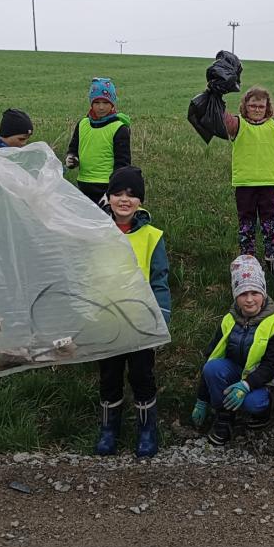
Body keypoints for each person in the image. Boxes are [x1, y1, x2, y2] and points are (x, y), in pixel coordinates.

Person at [94, 165, 171, 458]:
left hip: (141, 323)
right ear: (109, 197)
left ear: (140, 200)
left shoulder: (152, 236)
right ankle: (109, 429)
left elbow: (159, 280)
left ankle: (147, 430)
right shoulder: (96, 232)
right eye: (118, 193)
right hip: (107, 321)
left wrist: (161, 317)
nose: (124, 200)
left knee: (142, 375)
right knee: (109, 376)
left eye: (131, 195)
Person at [192, 255, 274, 445]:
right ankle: (224, 417)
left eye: (255, 292)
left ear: (263, 293)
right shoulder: (229, 319)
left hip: (259, 380)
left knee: (254, 403)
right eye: (243, 294)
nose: (249, 300)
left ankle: (264, 411)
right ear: (235, 295)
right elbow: (212, 356)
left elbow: (271, 365)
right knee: (212, 368)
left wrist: (246, 385)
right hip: (233, 371)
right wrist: (202, 399)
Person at [222, 85, 274, 280]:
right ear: (245, 106)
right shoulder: (238, 124)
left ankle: (273, 261)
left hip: (268, 183)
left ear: (267, 107)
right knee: (246, 224)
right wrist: (217, 98)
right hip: (244, 184)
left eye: (261, 106)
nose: (257, 109)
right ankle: (248, 263)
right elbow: (223, 119)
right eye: (253, 106)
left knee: (270, 223)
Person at [65, 77, 131, 204]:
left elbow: (123, 164)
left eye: (105, 103)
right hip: (83, 184)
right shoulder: (82, 124)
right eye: (97, 103)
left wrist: (114, 191)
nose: (101, 107)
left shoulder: (119, 128)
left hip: (107, 187)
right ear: (91, 103)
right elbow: (73, 148)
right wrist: (71, 158)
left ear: (112, 103)